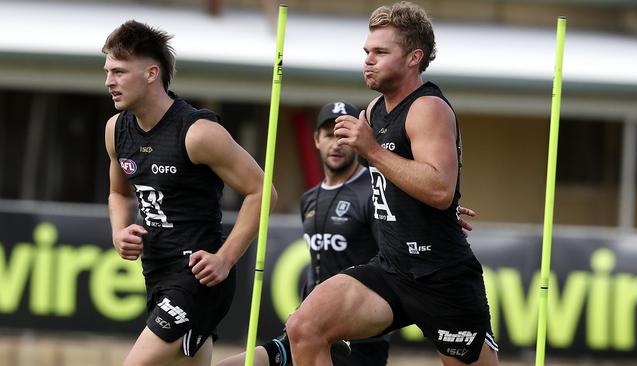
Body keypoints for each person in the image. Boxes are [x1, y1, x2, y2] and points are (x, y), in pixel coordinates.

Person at [286, 2, 499, 366]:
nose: (368, 60)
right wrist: (422, 208)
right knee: (303, 326)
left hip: (441, 277)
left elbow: (438, 189)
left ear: (414, 57)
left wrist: (371, 150)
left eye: (381, 52)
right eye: (367, 52)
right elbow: (404, 184)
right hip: (391, 269)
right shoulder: (372, 111)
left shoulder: (427, 108)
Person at [216, 101, 477, 366]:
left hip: (359, 339)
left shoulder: (374, 191)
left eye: (343, 135)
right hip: (311, 327)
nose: (337, 143)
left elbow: (402, 233)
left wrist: (439, 223)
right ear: (316, 140)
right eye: (329, 135)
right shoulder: (310, 198)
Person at [103, 20, 275, 366]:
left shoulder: (198, 133)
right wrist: (119, 231)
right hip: (156, 275)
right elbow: (119, 194)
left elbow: (262, 191)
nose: (109, 82)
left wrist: (225, 258)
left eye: (119, 72)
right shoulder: (116, 129)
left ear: (152, 73)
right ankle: (280, 355)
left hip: (198, 278)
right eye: (107, 71)